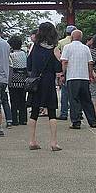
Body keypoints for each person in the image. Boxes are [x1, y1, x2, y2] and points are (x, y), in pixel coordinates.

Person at [27, 22, 63, 151]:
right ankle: (53, 142)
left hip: (36, 81)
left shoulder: (34, 47)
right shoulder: (54, 48)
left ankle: (32, 141)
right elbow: (58, 68)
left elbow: (29, 65)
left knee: (34, 112)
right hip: (48, 82)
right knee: (52, 111)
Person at [60, 29, 96, 129]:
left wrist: (63, 74)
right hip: (84, 77)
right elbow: (90, 63)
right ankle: (92, 121)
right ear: (81, 37)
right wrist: (90, 75)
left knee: (74, 99)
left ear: (72, 37)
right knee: (87, 100)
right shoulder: (86, 48)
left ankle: (76, 121)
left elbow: (64, 62)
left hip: (72, 77)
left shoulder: (67, 47)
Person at [56, 24, 76, 120]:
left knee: (65, 92)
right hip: (75, 68)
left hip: (65, 68)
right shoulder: (77, 42)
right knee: (75, 92)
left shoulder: (60, 42)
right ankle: (77, 113)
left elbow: (57, 55)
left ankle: (64, 113)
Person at [8, 35, 28, 126]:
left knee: (14, 100)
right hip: (23, 78)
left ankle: (14, 119)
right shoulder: (24, 53)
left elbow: (10, 67)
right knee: (22, 100)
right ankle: (23, 119)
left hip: (13, 79)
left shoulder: (11, 55)